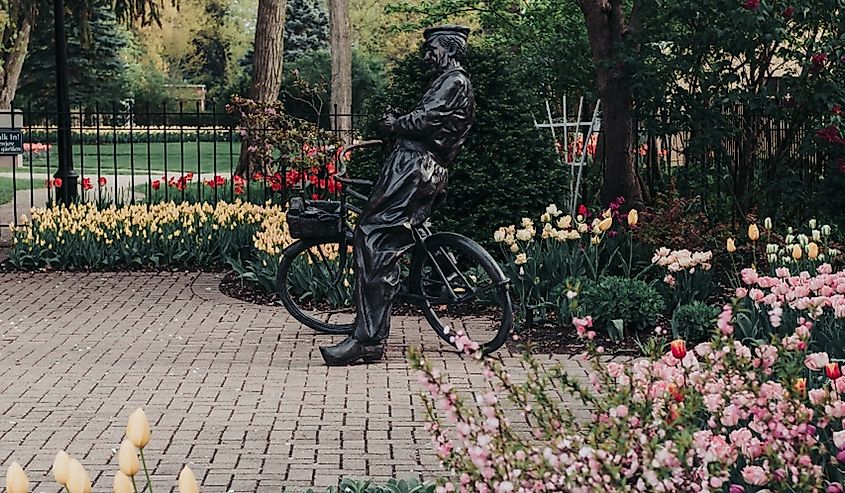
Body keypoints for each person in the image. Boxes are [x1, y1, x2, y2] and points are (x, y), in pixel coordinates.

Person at [320, 25, 476, 366]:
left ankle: (368, 339)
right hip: (416, 168)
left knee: (374, 238)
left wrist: (394, 123)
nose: (426, 56)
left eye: (431, 49)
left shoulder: (454, 81)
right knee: (380, 239)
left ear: (448, 49)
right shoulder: (450, 82)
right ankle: (374, 324)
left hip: (414, 169)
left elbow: (424, 120)